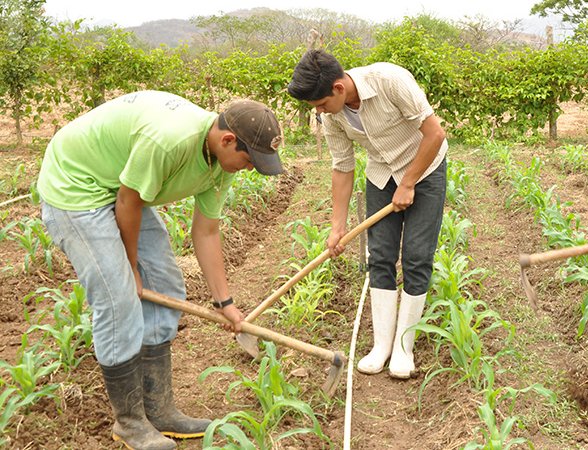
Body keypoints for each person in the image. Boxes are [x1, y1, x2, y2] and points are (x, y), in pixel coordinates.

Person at [37, 91, 284, 449]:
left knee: (165, 287)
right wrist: (130, 266)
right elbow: (128, 201)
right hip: (78, 187)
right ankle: (130, 422)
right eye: (249, 160)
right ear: (228, 139)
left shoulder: (221, 162)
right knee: (118, 298)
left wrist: (224, 302)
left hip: (120, 185)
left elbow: (207, 230)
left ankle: (159, 410)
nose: (249, 168)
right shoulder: (170, 141)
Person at [287, 50, 447, 379]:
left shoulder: (390, 81)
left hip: (425, 168)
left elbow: (435, 134)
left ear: (338, 88)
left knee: (417, 255)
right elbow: (342, 168)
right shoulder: (332, 117)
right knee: (381, 256)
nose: (318, 112)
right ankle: (381, 345)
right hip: (381, 176)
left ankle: (404, 348)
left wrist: (409, 182)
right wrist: (337, 228)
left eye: (320, 104)